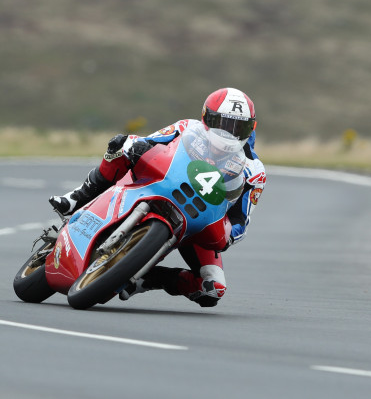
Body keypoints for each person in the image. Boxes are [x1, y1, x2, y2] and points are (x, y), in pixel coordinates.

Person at [49, 88, 266, 307]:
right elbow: (149, 142)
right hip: (157, 185)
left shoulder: (255, 171)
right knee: (121, 145)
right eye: (223, 124)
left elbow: (241, 220)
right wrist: (135, 147)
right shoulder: (186, 127)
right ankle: (78, 198)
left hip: (198, 220)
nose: (228, 134)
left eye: (238, 127)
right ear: (206, 117)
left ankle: (145, 280)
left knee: (213, 289)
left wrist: (229, 236)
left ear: (251, 128)